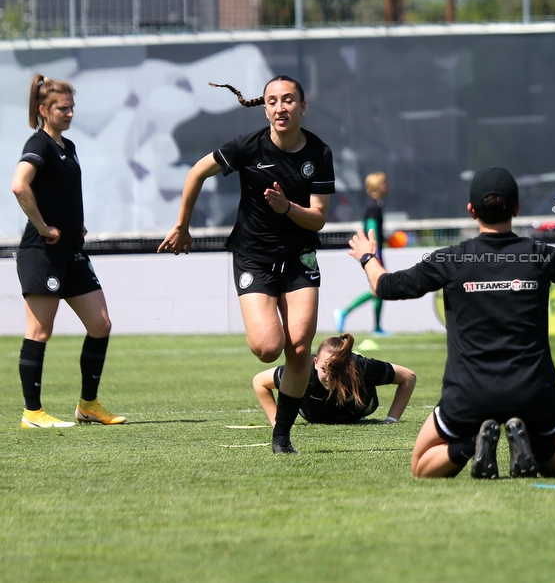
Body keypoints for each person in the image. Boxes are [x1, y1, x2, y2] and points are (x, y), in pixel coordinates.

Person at [348, 167, 555, 479]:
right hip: (534, 392)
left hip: (468, 395)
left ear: (471, 210)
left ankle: (470, 445)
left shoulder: (451, 259)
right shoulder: (539, 255)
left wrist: (368, 258)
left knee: (421, 465)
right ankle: (532, 445)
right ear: (516, 208)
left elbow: (385, 287)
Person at [159, 77, 335, 454]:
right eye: (273, 101)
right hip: (254, 256)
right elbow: (195, 173)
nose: (280, 107)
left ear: (303, 107)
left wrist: (287, 207)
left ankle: (282, 434)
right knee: (269, 347)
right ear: (265, 108)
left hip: (300, 256)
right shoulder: (246, 146)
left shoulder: (319, 153)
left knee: (301, 348)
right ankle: (274, 382)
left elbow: (318, 219)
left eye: (288, 100)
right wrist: (182, 225)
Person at [10, 75, 125, 429]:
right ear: (44, 110)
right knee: (39, 331)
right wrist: (44, 227)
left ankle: (88, 405)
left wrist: (76, 225)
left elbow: (60, 192)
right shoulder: (39, 143)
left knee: (100, 324)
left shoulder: (68, 146)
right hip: (42, 252)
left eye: (73, 107)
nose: (71, 112)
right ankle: (32, 413)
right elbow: (19, 185)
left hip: (72, 250)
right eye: (64, 108)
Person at [252, 332, 416, 425]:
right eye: (324, 369)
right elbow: (259, 382)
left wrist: (392, 419)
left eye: (337, 369)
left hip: (357, 413)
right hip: (313, 416)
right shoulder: (303, 370)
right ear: (315, 363)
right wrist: (277, 423)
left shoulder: (361, 366)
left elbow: (408, 377)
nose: (330, 376)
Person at [334, 172, 389, 335]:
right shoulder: (374, 206)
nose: (387, 186)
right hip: (374, 252)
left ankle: (376, 327)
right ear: (377, 185)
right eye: (384, 183)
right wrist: (375, 253)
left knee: (379, 289)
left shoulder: (374, 204)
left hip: (375, 251)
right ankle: (345, 312)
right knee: (379, 288)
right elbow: (371, 229)